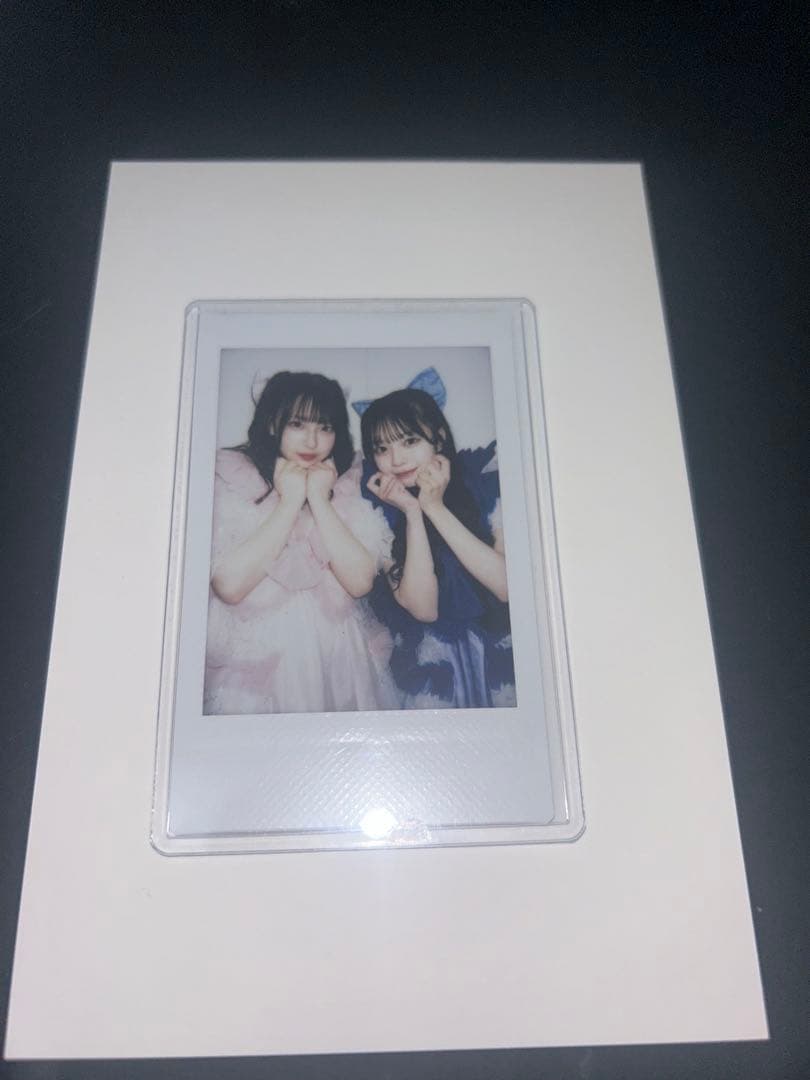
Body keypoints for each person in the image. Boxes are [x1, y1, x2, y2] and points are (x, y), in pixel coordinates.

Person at [204, 370, 400, 715]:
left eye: (325, 427)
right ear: (272, 424)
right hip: (258, 661)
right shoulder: (233, 481)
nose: (312, 442)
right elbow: (230, 586)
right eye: (297, 424)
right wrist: (290, 502)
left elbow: (359, 582)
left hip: (338, 661)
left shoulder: (346, 483)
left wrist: (320, 500)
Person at [357, 370, 516, 709]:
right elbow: (423, 609)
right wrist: (413, 512)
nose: (396, 460)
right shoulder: (375, 511)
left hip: (500, 662)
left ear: (438, 439)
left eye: (409, 441)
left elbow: (507, 586)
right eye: (382, 448)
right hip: (431, 674)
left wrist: (435, 507)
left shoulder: (485, 484)